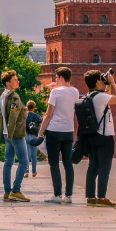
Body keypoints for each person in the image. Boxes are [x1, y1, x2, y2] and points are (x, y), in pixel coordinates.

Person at [37, 66, 79, 204]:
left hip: (54, 131)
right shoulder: (75, 91)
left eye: (56, 77)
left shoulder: (55, 92)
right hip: (68, 131)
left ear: (60, 77)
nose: (55, 80)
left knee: (54, 163)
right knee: (68, 163)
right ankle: (68, 195)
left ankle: (56, 195)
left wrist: (40, 132)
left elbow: (49, 114)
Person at [83, 69, 116, 206]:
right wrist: (112, 82)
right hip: (105, 136)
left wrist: (107, 85)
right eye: (101, 79)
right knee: (104, 167)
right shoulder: (100, 98)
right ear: (96, 81)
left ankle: (90, 197)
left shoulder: (89, 96)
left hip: (92, 136)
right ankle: (101, 197)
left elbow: (106, 95)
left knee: (93, 166)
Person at [0, 70, 30, 202]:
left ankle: (7, 191)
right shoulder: (14, 97)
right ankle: (16, 190)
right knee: (24, 162)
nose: (17, 81)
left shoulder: (2, 95)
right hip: (15, 133)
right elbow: (14, 116)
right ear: (8, 83)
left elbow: (2, 115)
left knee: (8, 162)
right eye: (15, 80)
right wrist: (11, 133)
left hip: (7, 133)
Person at [25, 100, 42, 178]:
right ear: (34, 107)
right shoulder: (37, 116)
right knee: (33, 155)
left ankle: (26, 171)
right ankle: (34, 172)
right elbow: (41, 125)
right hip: (34, 137)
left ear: (27, 107)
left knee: (27, 154)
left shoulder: (24, 115)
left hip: (26, 135)